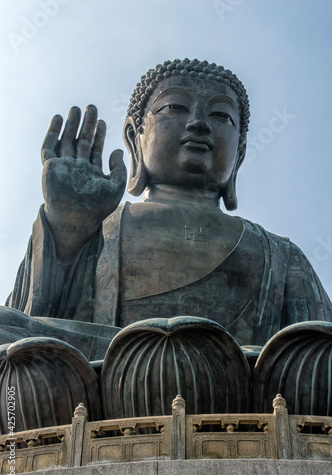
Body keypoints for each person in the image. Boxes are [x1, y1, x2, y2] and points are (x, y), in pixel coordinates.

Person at [4, 58, 332, 349]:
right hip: (106, 383)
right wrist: (68, 224)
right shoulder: (97, 228)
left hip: (249, 391)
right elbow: (34, 329)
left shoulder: (280, 255)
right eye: (175, 107)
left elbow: (318, 352)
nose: (200, 122)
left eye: (221, 115)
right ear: (135, 137)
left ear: (240, 153)